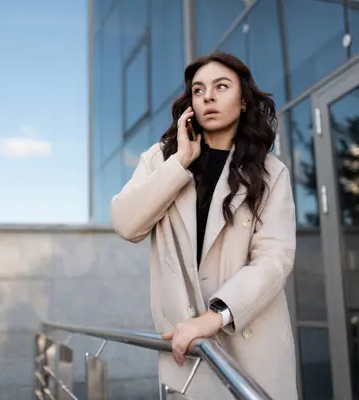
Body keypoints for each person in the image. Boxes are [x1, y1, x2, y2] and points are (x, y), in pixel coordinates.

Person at [110, 51, 297, 400]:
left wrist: (215, 315)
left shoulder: (271, 172)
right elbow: (126, 223)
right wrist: (180, 162)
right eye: (198, 90)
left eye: (221, 86)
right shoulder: (160, 160)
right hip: (187, 347)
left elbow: (274, 259)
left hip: (249, 340)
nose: (208, 96)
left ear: (243, 102)